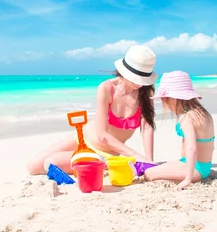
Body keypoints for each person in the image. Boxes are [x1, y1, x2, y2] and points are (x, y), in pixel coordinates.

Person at [26, 45, 159, 175]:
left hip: (105, 155)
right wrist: (135, 155)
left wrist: (149, 161)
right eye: (137, 78)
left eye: (144, 79)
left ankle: (97, 164)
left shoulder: (146, 92)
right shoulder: (106, 88)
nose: (140, 83)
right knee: (33, 167)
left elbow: (147, 127)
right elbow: (102, 135)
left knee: (51, 162)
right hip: (83, 138)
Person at [144, 71, 215, 190]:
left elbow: (192, 148)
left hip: (193, 169)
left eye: (165, 100)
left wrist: (188, 178)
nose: (165, 104)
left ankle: (189, 178)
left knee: (148, 174)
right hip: (204, 166)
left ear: (173, 99)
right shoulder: (203, 113)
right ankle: (199, 175)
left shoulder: (186, 117)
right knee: (164, 165)